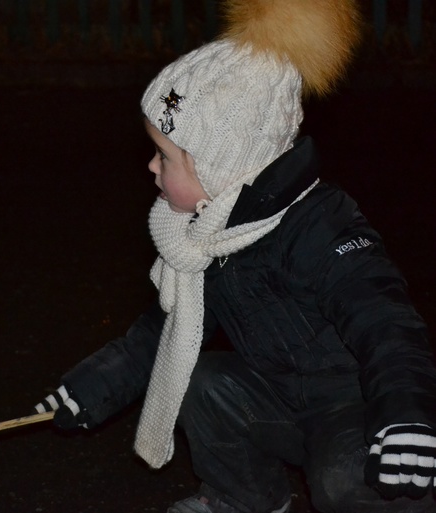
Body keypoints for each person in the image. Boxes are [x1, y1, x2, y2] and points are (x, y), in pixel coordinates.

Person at [34, 1, 436, 512]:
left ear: (223, 166)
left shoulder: (319, 225)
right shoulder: (205, 235)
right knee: (200, 381)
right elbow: (160, 334)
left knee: (344, 479)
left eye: (165, 156)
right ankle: (244, 499)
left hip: (355, 408)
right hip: (279, 398)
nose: (151, 167)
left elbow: (385, 321)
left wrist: (405, 413)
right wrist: (92, 387)